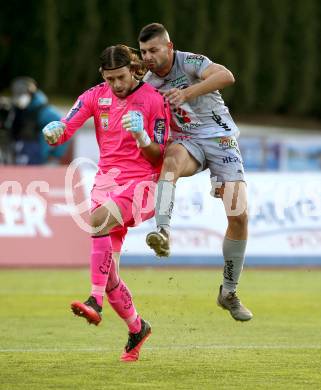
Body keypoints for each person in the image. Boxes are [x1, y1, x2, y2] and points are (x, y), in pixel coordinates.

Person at [42, 44, 170, 361]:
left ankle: (94, 301)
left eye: (121, 77)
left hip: (142, 184)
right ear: (103, 75)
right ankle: (137, 328)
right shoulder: (94, 96)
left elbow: (161, 155)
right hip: (106, 184)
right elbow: (66, 126)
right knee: (110, 273)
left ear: (135, 70)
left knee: (97, 219)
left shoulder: (154, 101)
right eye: (110, 78)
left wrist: (142, 137)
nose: (116, 85)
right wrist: (53, 131)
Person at [138, 23, 253, 322]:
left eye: (154, 50)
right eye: (144, 52)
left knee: (238, 215)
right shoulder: (148, 84)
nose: (148, 56)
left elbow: (225, 76)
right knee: (171, 162)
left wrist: (187, 93)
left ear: (169, 47)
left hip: (221, 138)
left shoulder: (189, 61)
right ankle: (162, 230)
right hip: (187, 141)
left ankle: (228, 292)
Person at [5, 77, 69, 165]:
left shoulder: (43, 111)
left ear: (30, 94)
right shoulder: (18, 109)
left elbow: (64, 128)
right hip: (20, 156)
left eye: (22, 94)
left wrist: (55, 155)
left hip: (39, 159)